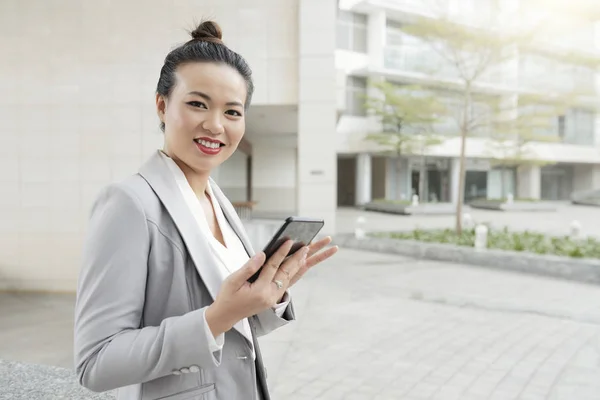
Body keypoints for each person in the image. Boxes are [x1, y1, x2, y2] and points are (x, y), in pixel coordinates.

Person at [73, 20, 338, 400]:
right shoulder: (129, 203)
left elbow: (236, 332)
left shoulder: (217, 199)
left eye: (232, 112)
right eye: (197, 104)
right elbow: (95, 363)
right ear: (162, 105)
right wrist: (217, 316)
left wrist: (270, 294)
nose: (215, 125)